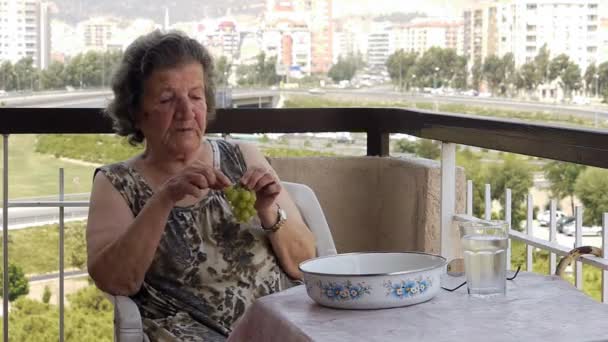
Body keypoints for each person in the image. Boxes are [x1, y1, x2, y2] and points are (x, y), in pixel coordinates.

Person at [86, 30, 316, 341]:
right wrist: (165, 198)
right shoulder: (117, 183)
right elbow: (116, 281)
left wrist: (267, 209)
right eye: (167, 99)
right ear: (136, 112)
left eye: (195, 96)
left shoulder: (243, 156)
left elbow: (306, 265)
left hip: (278, 326)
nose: (186, 112)